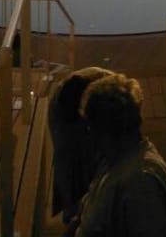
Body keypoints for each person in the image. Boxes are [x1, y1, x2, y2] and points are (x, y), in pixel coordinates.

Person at [70, 71, 166, 237]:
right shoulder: (114, 160)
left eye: (90, 127)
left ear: (106, 130)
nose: (87, 134)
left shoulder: (139, 185)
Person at [48, 67, 111, 225]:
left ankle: (82, 209)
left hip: (88, 102)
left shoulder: (105, 91)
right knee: (69, 158)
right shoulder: (60, 102)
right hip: (66, 107)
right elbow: (63, 159)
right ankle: (73, 211)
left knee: (90, 155)